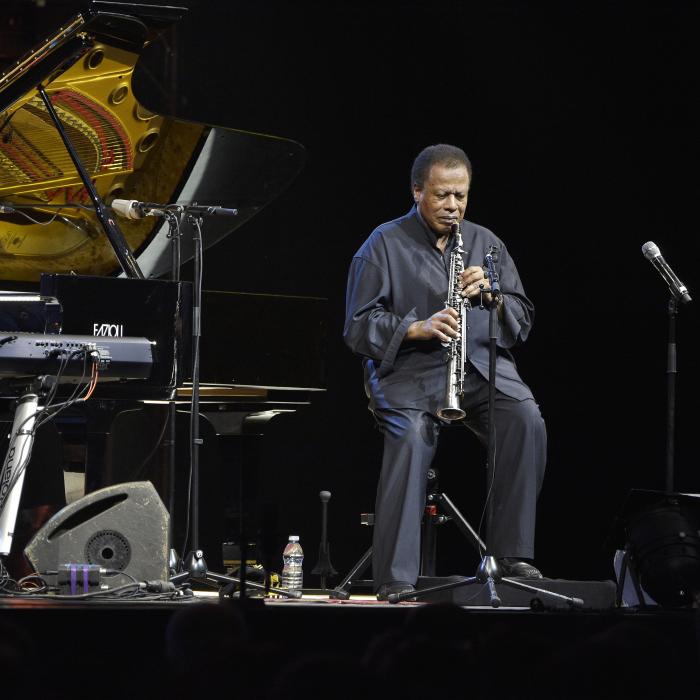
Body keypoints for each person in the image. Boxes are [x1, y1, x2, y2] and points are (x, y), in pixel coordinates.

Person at [343, 143, 546, 600]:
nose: (453, 206)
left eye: (461, 196)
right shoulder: (383, 244)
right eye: (441, 196)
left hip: (477, 372)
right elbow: (357, 328)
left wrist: (492, 296)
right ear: (417, 192)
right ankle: (395, 576)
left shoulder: (486, 243)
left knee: (525, 418)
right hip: (407, 377)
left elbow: (522, 319)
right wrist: (415, 327)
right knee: (412, 437)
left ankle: (511, 555)